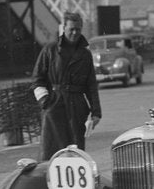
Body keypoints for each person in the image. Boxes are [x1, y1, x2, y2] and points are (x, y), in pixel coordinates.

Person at [31, 11, 102, 160]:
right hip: (54, 107)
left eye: (78, 29)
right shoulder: (50, 50)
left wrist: (96, 113)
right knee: (50, 152)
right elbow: (37, 79)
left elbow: (91, 86)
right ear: (64, 28)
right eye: (71, 29)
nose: (75, 32)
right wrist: (45, 102)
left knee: (76, 152)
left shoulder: (85, 55)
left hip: (77, 108)